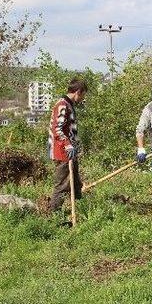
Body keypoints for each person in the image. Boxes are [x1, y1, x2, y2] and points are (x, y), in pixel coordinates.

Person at [47, 78, 88, 212]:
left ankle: (79, 211)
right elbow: (57, 128)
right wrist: (67, 145)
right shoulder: (62, 105)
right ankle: (54, 216)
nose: (82, 99)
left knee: (76, 183)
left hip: (71, 152)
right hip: (62, 152)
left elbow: (69, 129)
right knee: (62, 185)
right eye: (82, 95)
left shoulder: (69, 105)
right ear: (78, 92)